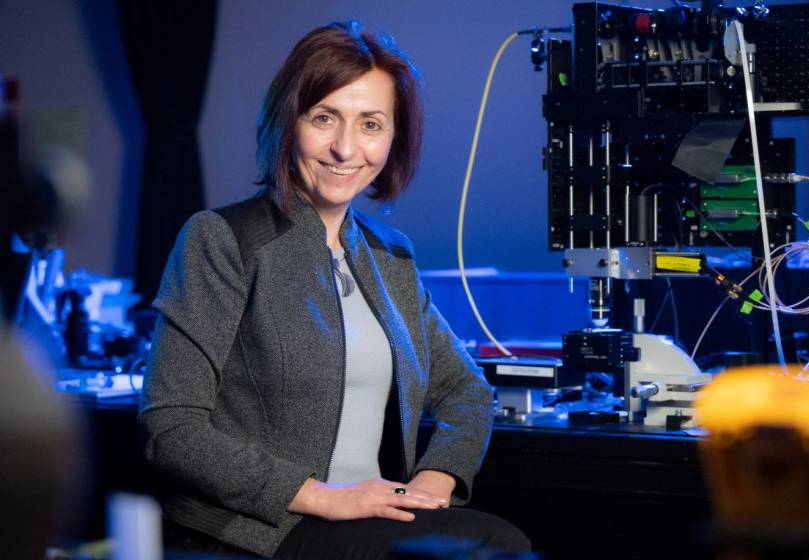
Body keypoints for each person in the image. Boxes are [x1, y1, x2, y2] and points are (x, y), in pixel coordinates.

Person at [138, 20, 530, 559]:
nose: (346, 149)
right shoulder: (222, 239)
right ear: (288, 121)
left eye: (371, 124)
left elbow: (467, 391)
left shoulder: (389, 254)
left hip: (366, 517)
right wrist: (321, 497)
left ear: (395, 138)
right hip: (263, 529)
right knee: (496, 545)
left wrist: (435, 482)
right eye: (324, 118)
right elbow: (171, 426)